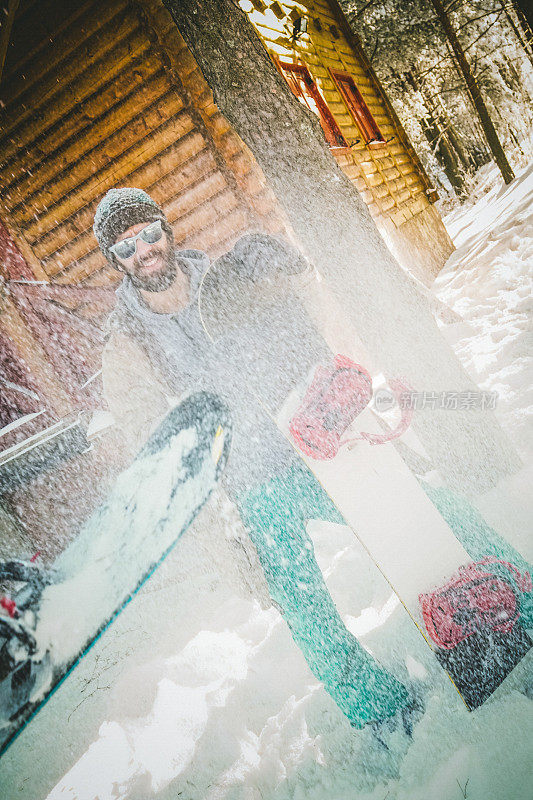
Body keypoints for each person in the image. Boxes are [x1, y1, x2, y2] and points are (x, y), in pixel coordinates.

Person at [94, 187, 415, 732]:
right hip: (251, 491)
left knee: (414, 514)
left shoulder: (228, 280)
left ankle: (503, 599)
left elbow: (309, 322)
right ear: (115, 262)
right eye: (125, 247)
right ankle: (379, 712)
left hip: (309, 449)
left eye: (149, 234)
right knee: (304, 608)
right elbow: (153, 442)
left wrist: (295, 272)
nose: (142, 250)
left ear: (167, 233)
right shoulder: (126, 345)